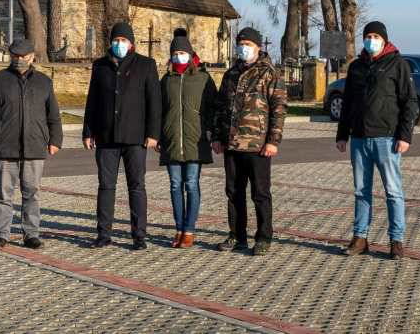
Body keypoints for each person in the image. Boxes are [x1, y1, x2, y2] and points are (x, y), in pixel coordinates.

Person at [336, 21, 417, 260]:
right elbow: (348, 103)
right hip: (360, 139)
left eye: (375, 36)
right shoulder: (356, 67)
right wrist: (342, 134)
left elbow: (409, 103)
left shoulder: (397, 64)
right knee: (361, 191)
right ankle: (360, 238)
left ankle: (396, 240)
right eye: (367, 36)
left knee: (393, 191)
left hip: (387, 139)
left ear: (384, 39)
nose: (371, 40)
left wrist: (404, 135)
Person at [0, 38, 63, 250]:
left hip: (35, 147)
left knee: (32, 193)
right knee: (4, 195)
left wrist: (56, 140)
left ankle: (31, 234)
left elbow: (53, 115)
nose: (19, 60)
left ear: (32, 56)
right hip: (6, 147)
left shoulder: (44, 82)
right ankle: (1, 234)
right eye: (15, 56)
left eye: (23, 56)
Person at [83, 21, 161, 250]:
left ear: (131, 44)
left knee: (136, 186)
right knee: (106, 186)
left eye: (123, 40)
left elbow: (154, 103)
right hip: (106, 137)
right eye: (116, 40)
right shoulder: (100, 66)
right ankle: (103, 234)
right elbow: (92, 101)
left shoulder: (146, 65)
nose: (119, 44)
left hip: (135, 137)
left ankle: (139, 236)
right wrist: (88, 131)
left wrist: (153, 133)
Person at [213, 27, 287, 256]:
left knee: (260, 193)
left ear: (258, 47)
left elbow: (279, 109)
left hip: (257, 146)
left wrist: (273, 141)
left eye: (248, 44)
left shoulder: (269, 73)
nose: (243, 48)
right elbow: (220, 107)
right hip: (232, 145)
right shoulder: (230, 74)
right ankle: (237, 235)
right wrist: (217, 136)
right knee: (234, 192)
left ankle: (264, 237)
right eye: (240, 43)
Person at [159, 33, 217, 248]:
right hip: (172, 139)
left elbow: (213, 107)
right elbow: (159, 110)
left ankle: (190, 230)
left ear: (191, 55)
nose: (178, 57)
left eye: (182, 53)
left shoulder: (203, 78)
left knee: (191, 184)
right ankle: (179, 228)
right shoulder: (166, 80)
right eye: (175, 54)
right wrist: (158, 135)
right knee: (175, 185)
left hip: (196, 139)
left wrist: (210, 131)